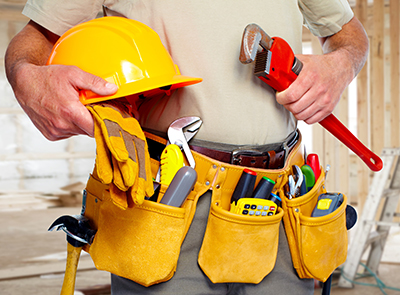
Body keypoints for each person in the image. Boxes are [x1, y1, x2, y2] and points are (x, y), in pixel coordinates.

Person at [5, 1, 369, 294]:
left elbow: (350, 38)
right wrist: (27, 79)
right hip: (167, 202)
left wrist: (338, 67)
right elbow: (31, 44)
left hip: (280, 197)